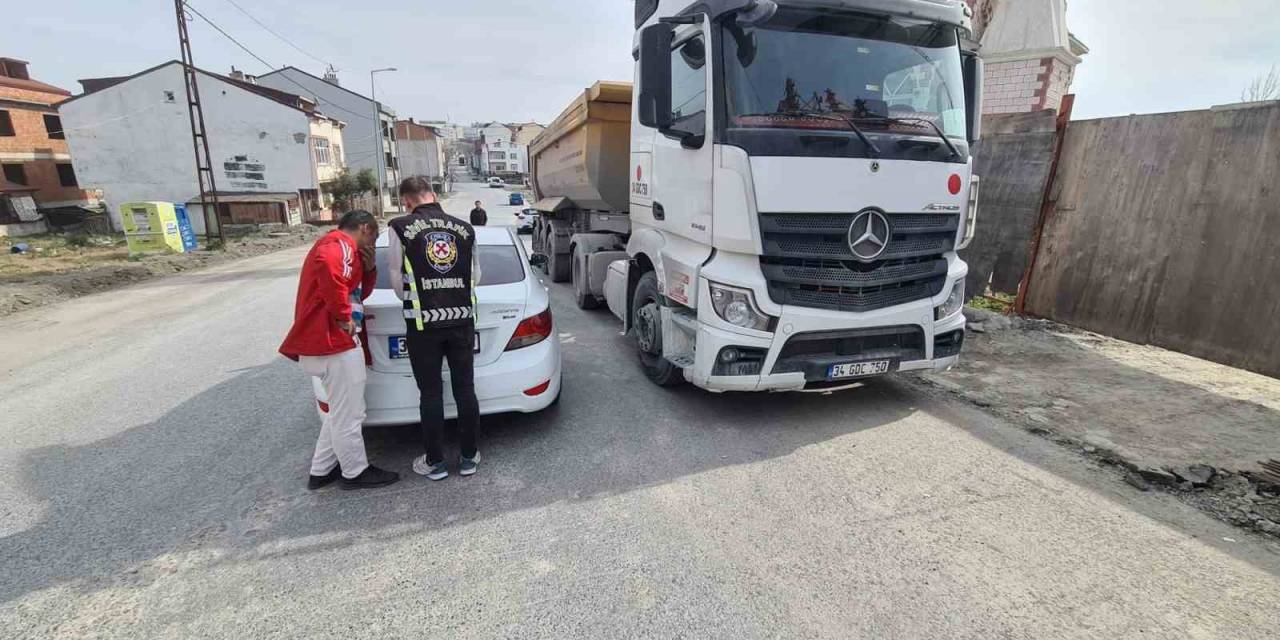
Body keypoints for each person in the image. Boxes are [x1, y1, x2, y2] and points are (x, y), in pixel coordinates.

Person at [279, 210, 401, 491]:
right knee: (351, 414)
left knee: (340, 411)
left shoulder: (344, 251)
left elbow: (358, 292)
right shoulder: (336, 246)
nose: (371, 244)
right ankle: (355, 472)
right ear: (364, 228)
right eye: (373, 236)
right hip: (333, 343)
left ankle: (321, 469)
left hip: (328, 343)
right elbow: (329, 269)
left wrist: (369, 270)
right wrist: (343, 316)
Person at [388, 177, 483, 481]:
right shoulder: (465, 229)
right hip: (462, 321)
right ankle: (469, 458)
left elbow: (395, 279)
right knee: (465, 389)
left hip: (422, 325)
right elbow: (475, 275)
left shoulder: (400, 227)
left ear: (406, 201)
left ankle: (436, 463)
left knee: (430, 393)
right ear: (433, 193)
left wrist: (423, 299)